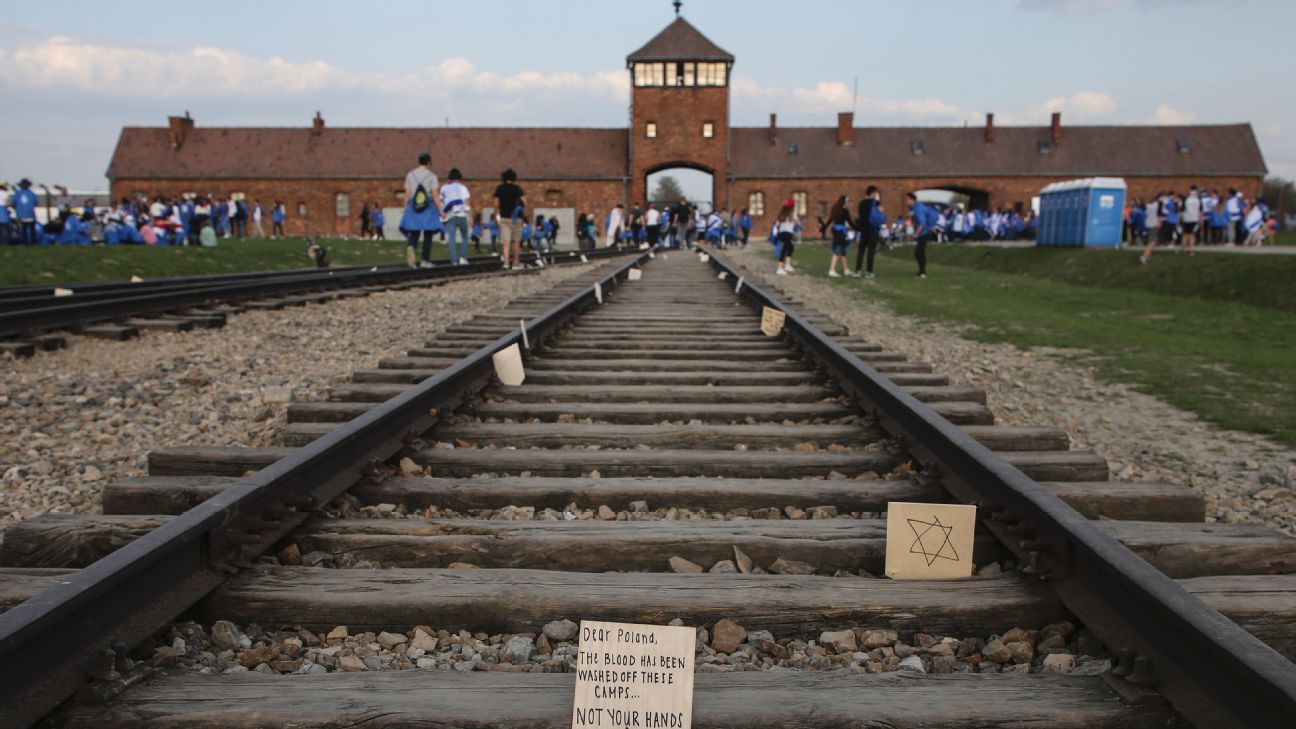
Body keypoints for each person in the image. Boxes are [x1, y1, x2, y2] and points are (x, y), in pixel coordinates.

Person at [401, 153, 445, 268]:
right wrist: (440, 209)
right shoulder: (432, 176)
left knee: (414, 232)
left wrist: (405, 208)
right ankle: (425, 260)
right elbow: (435, 194)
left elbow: (407, 193)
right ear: (429, 162)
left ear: (419, 161)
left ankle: (411, 249)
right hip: (428, 206)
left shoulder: (410, 174)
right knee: (428, 233)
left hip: (413, 206)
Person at [493, 168, 525, 270]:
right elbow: (525, 202)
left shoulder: (500, 188)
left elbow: (496, 204)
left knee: (506, 241)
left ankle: (506, 263)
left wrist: (495, 216)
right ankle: (516, 263)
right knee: (516, 241)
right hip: (516, 218)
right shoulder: (517, 188)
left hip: (504, 217)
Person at [439, 168, 472, 264]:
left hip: (450, 216)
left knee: (451, 239)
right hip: (461, 214)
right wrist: (470, 217)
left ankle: (454, 260)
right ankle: (462, 257)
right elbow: (467, 203)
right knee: (465, 237)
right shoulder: (463, 188)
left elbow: (441, 202)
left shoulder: (444, 188)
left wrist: (442, 215)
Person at [853, 185, 883, 279]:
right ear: (873, 193)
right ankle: (869, 272)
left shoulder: (861, 203)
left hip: (864, 230)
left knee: (861, 251)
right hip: (873, 230)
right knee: (871, 251)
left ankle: (857, 271)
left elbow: (859, 217)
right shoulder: (876, 203)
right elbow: (880, 216)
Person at [908, 192, 938, 279]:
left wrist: (916, 233)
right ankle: (921, 271)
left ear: (912, 199)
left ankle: (923, 272)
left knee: (919, 252)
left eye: (907, 199)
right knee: (919, 252)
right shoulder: (915, 207)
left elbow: (922, 223)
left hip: (924, 232)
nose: (906, 201)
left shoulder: (918, 208)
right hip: (924, 232)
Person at [826, 195, 854, 277]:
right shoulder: (844, 211)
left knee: (843, 251)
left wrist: (823, 229)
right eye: (847, 202)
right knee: (838, 250)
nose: (848, 203)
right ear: (844, 202)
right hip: (841, 231)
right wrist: (859, 228)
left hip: (835, 230)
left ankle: (846, 269)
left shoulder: (835, 210)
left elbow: (829, 221)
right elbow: (850, 222)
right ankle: (831, 269)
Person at [774, 199, 799, 275]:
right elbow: (797, 222)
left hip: (781, 233)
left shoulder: (782, 213)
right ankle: (780, 268)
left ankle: (787, 265)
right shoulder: (792, 213)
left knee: (790, 247)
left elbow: (777, 224)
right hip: (788, 233)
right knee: (785, 249)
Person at [13, 179, 38, 244]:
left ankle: (25, 242)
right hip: (30, 214)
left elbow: (14, 203)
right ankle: (33, 242)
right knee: (32, 230)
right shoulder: (31, 193)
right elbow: (35, 203)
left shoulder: (18, 193)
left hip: (21, 215)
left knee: (23, 229)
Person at [1181, 185, 1201, 254]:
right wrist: (1201, 220)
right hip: (1194, 219)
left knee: (1185, 234)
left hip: (1186, 219)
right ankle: (1191, 250)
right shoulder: (1198, 200)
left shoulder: (1186, 200)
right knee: (1192, 235)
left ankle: (1183, 249)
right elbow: (1200, 211)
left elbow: (1182, 211)